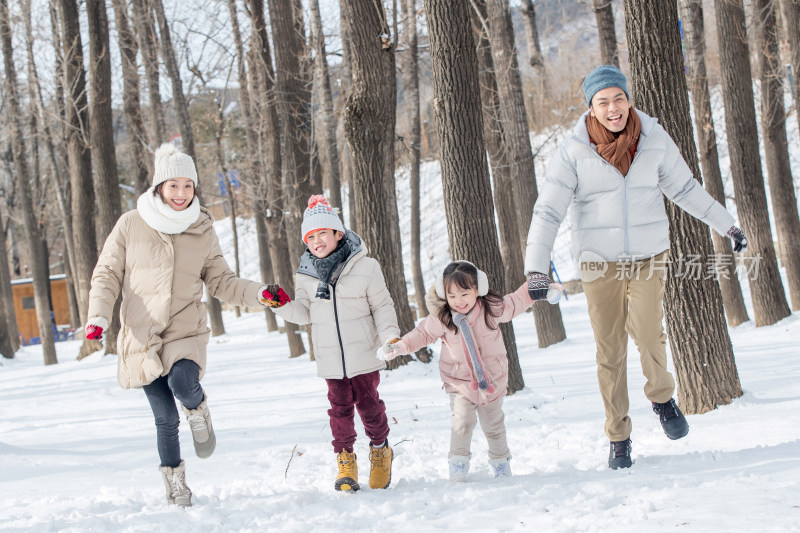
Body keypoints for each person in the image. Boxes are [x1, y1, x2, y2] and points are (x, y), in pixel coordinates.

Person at [524, 65, 748, 470]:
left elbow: (684, 188)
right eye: (603, 102)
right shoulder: (573, 150)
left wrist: (726, 223)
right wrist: (536, 268)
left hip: (648, 256)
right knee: (610, 350)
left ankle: (662, 398)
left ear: (629, 99)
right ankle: (619, 436)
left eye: (619, 98)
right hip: (598, 264)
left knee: (648, 334)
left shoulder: (654, 138)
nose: (613, 109)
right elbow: (549, 209)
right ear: (591, 107)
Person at [85, 143, 271, 506]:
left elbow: (222, 282)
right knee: (166, 419)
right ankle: (175, 483)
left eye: (189, 186)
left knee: (184, 382)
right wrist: (98, 316)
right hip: (141, 336)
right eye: (174, 186)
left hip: (185, 329)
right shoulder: (131, 224)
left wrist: (261, 293)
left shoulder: (202, 228)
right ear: (159, 187)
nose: (182, 194)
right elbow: (106, 273)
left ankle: (199, 409)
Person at [263, 195, 399, 492]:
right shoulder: (306, 274)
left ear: (339, 234)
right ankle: (345, 461)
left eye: (323, 233)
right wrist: (280, 303)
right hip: (330, 359)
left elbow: (383, 306)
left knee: (369, 406)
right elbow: (303, 313)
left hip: (363, 352)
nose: (317, 240)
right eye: (310, 236)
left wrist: (390, 336)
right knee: (339, 411)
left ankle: (380, 449)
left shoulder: (367, 266)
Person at [385, 261, 535, 481]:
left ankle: (501, 462)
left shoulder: (491, 309)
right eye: (452, 295)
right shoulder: (443, 317)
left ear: (478, 290)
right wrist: (402, 345)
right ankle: (458, 463)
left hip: (492, 379)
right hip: (459, 381)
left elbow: (516, 302)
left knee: (493, 425)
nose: (458, 301)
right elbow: (422, 334)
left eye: (464, 294)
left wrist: (534, 288)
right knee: (462, 422)